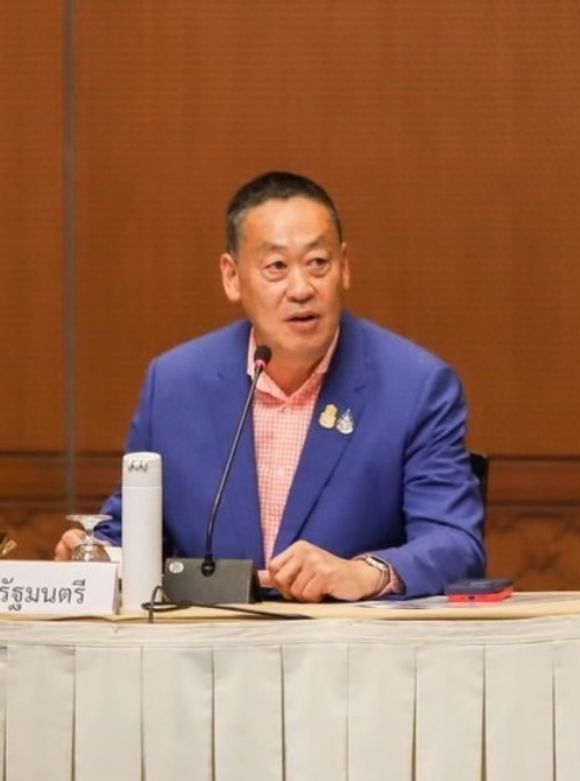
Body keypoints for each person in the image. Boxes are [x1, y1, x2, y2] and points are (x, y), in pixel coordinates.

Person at [55, 171, 485, 600]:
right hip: (211, 638)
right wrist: (97, 555)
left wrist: (365, 573)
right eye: (277, 267)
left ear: (345, 267)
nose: (301, 288)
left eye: (318, 263)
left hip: (349, 637)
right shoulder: (173, 386)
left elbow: (455, 542)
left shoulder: (415, 387)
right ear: (232, 276)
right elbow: (130, 531)